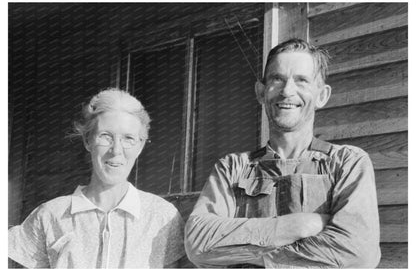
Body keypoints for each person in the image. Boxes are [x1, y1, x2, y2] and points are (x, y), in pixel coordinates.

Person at [184, 38, 381, 268]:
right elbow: (198, 242)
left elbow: (357, 254)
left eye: (301, 81)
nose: (287, 91)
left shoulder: (346, 163)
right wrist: (298, 226)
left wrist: (256, 257)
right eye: (277, 79)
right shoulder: (232, 168)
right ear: (261, 92)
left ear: (322, 96)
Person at [9, 88, 185, 268]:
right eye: (106, 136)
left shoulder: (162, 216)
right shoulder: (49, 215)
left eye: (128, 138)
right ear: (88, 141)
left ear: (140, 146)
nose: (116, 150)